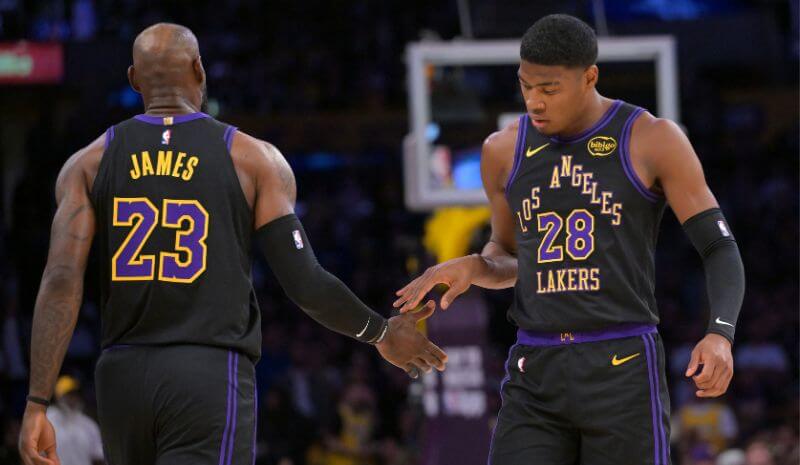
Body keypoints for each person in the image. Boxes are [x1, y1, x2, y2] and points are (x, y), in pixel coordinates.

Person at [19, 23, 447, 465]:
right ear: (199, 70)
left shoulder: (87, 163)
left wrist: (37, 402)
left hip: (121, 377)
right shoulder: (251, 158)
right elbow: (305, 282)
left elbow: (60, 281)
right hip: (206, 373)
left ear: (133, 79)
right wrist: (380, 332)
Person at [394, 14, 744, 465]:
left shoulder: (651, 138)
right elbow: (508, 256)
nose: (534, 101)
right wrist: (476, 267)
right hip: (536, 365)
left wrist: (720, 333)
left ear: (589, 77)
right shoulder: (502, 150)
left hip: (621, 361)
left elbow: (718, 246)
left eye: (549, 89)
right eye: (526, 86)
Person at [45, 376, 104, 465]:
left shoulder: (87, 423)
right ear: (58, 397)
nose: (72, 398)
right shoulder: (48, 419)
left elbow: (98, 456)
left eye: (75, 394)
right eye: (69, 395)